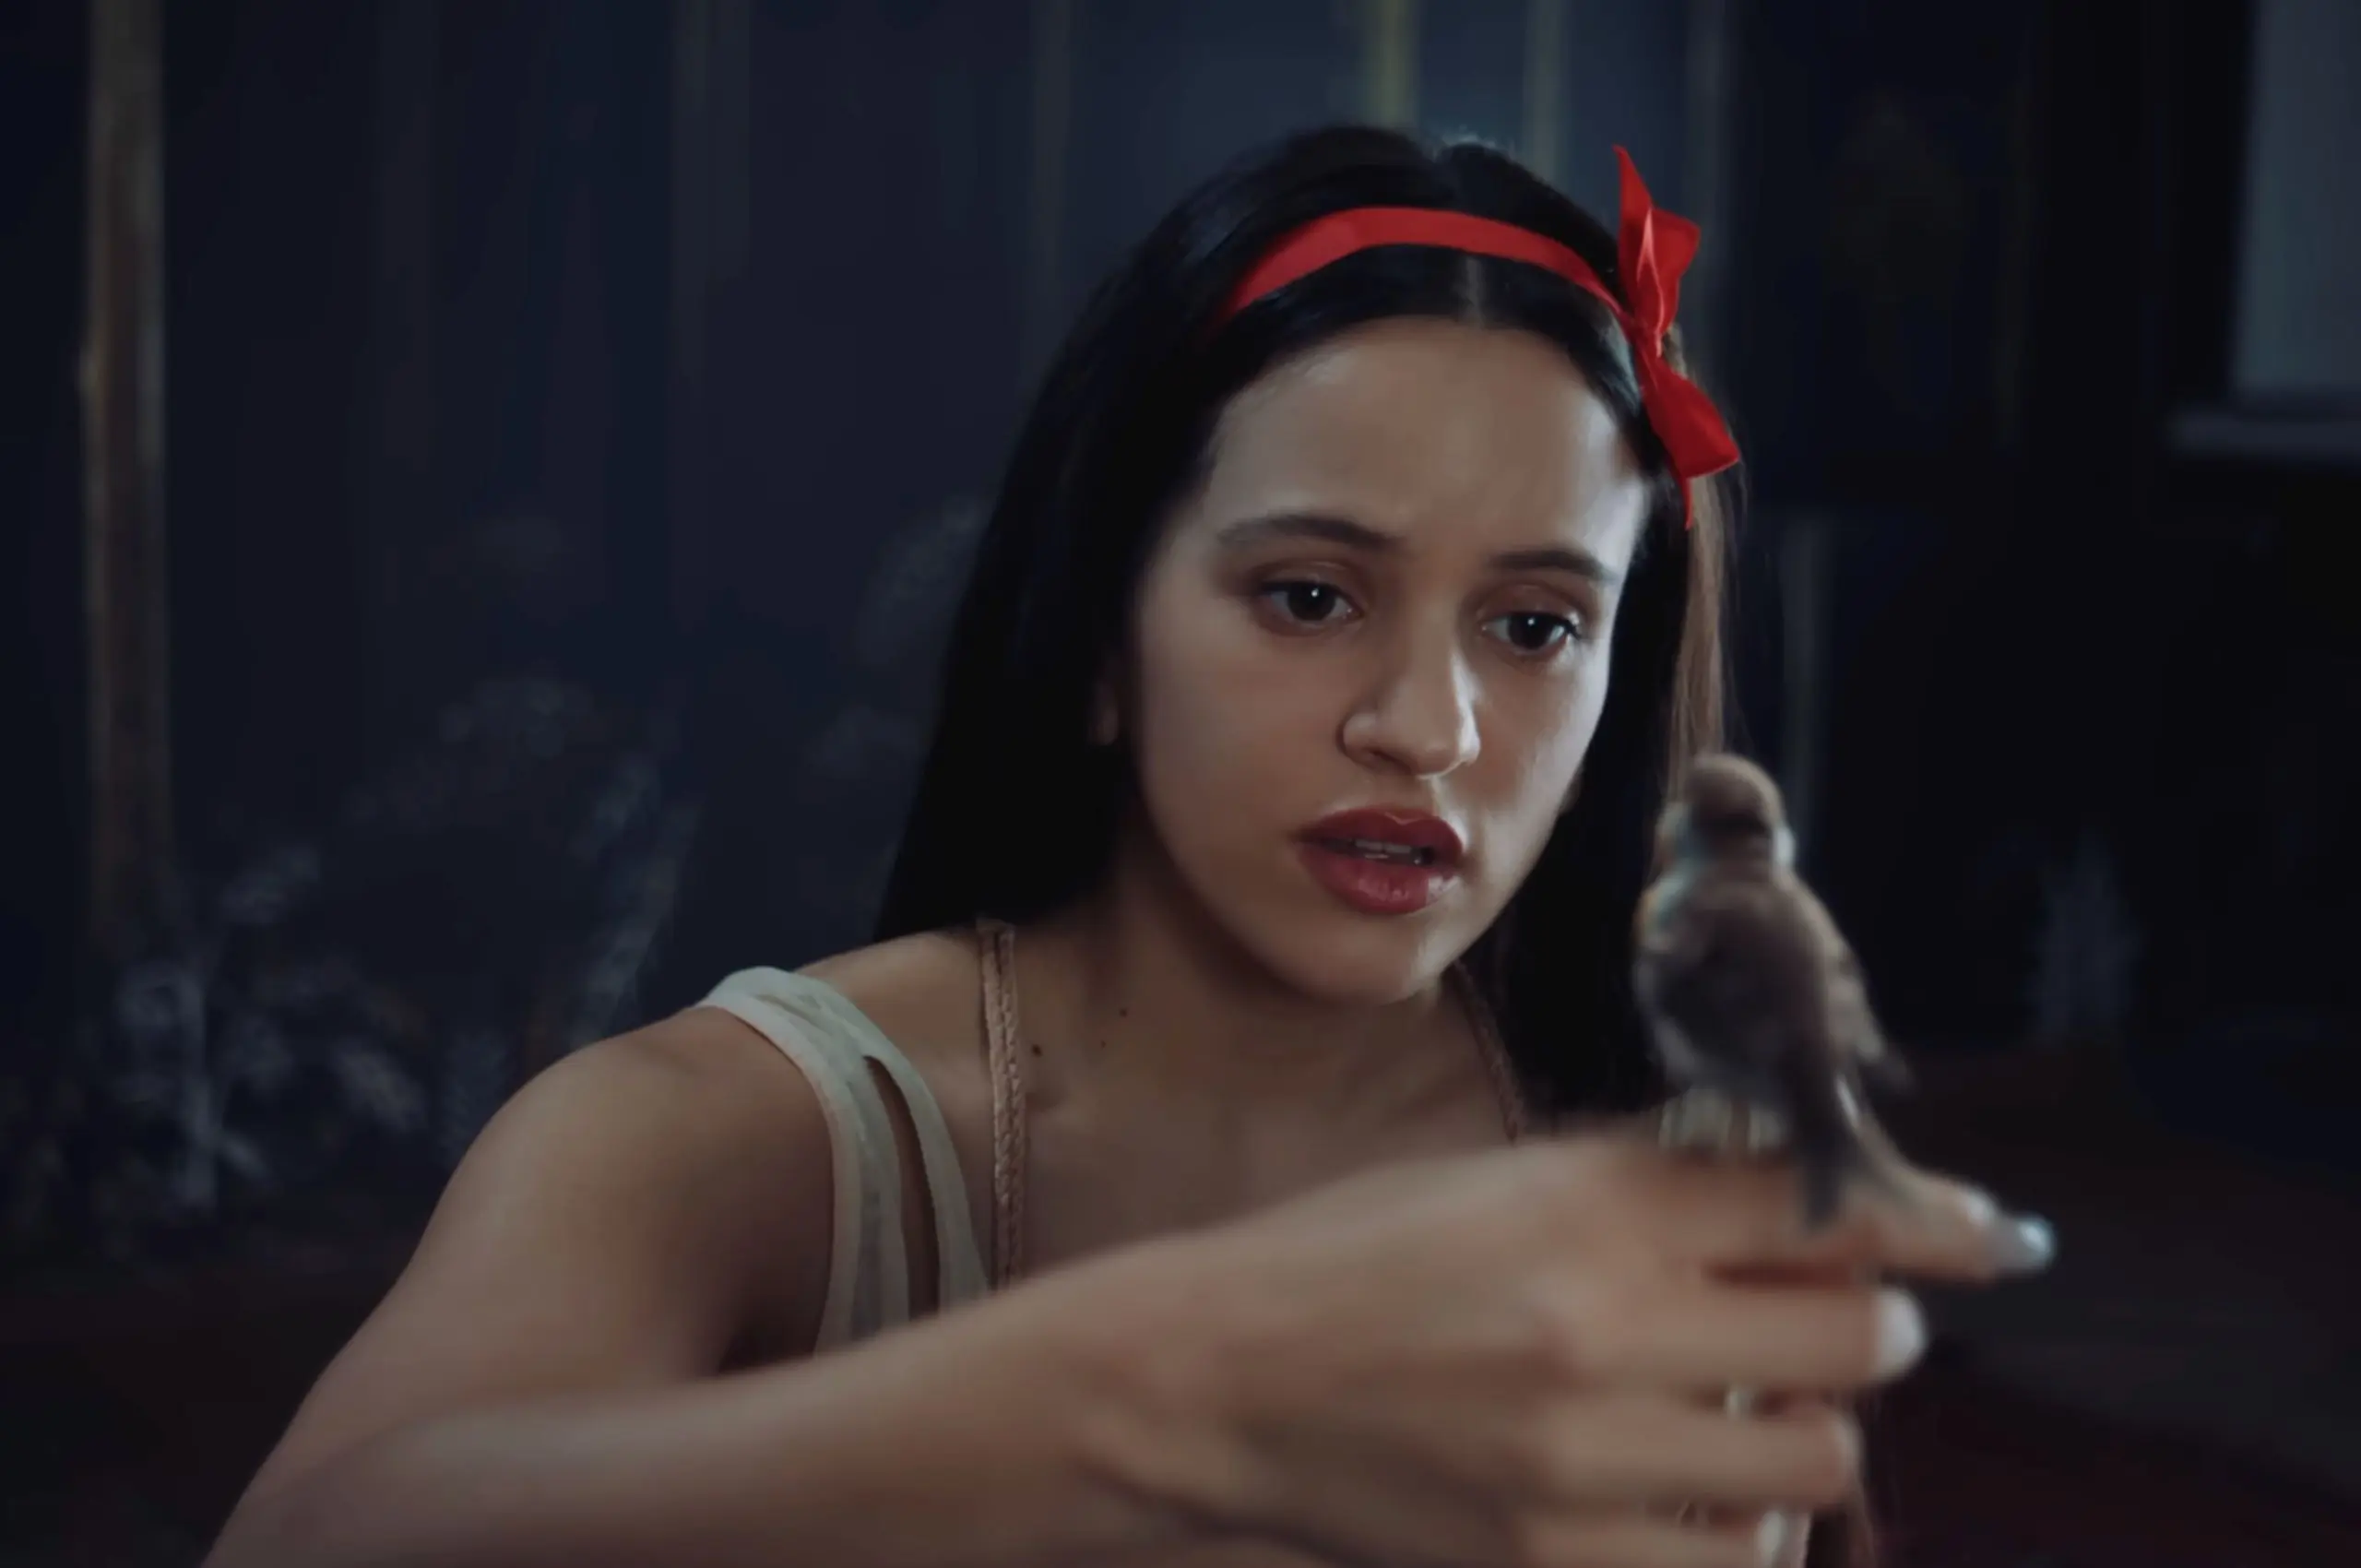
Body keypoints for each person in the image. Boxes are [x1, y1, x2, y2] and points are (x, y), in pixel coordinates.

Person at [207, 127, 2053, 1568]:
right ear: (1100, 630)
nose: (1425, 727)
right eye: (1311, 594)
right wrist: (1149, 1398)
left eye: (1533, 624)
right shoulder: (726, 1140)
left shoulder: (1686, 1157)